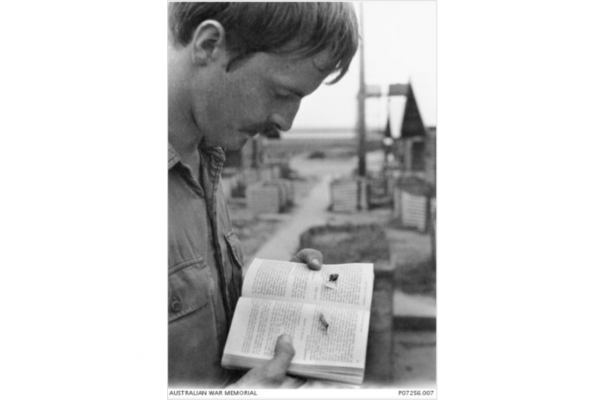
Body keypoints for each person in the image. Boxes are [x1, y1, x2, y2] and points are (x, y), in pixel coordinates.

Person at [168, 2, 359, 388]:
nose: (285, 122)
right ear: (208, 46)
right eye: (280, 92)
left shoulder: (206, 157)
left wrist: (275, 298)